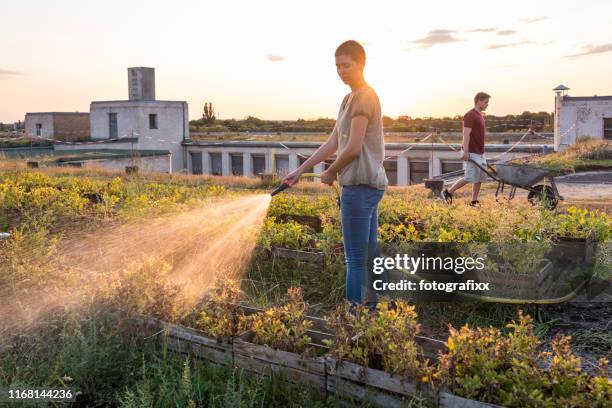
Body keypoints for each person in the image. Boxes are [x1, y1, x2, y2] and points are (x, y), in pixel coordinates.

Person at [283, 40, 388, 308]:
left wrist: (330, 172)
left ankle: (354, 316)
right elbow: (333, 143)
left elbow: (353, 148)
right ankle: (374, 312)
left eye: (346, 65)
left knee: (354, 258)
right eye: (337, 66)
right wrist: (301, 169)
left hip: (360, 185)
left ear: (361, 63)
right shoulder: (348, 99)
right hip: (368, 185)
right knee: (368, 255)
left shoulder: (364, 96)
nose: (341, 71)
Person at [441, 92, 490, 206]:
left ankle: (474, 200)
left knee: (479, 177)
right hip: (471, 152)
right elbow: (466, 134)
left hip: (480, 152)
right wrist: (466, 152)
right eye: (485, 102)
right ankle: (448, 192)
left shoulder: (480, 115)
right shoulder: (470, 115)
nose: (487, 104)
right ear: (479, 102)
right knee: (469, 177)